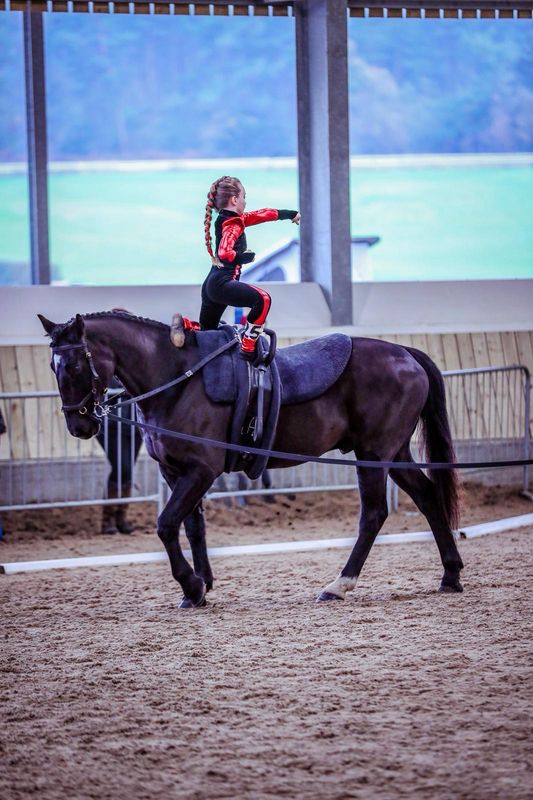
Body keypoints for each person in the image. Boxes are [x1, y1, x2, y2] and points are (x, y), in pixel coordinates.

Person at [171, 175, 300, 361]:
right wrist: (243, 257)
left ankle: (184, 325)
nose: (245, 202)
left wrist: (289, 214)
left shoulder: (230, 219)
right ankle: (248, 346)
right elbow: (224, 252)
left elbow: (262, 214)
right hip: (222, 284)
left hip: (211, 284)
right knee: (263, 300)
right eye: (244, 197)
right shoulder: (233, 223)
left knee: (208, 333)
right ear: (234, 200)